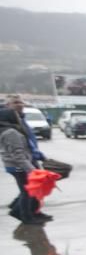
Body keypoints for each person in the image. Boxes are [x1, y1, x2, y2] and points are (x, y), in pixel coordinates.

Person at [5, 94, 50, 222]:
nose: (19, 105)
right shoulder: (9, 124)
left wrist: (38, 155)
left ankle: (32, 211)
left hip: (29, 159)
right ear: (8, 106)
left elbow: (29, 141)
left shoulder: (21, 120)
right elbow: (15, 151)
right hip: (20, 164)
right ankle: (23, 214)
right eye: (15, 102)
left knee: (35, 188)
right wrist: (30, 168)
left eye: (21, 102)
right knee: (28, 189)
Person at [2, 108, 44, 225]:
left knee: (26, 190)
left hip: (14, 165)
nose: (18, 117)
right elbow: (18, 155)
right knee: (27, 191)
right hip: (18, 167)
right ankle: (25, 216)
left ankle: (20, 212)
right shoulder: (11, 133)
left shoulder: (8, 130)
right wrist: (31, 170)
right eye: (15, 115)